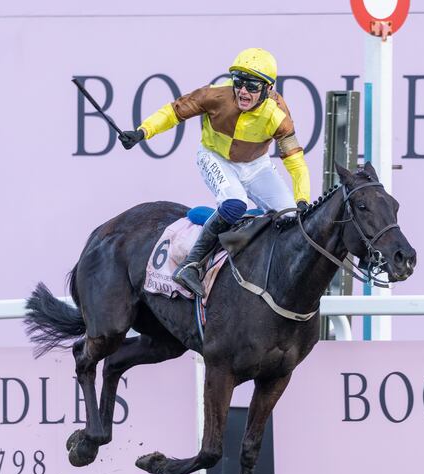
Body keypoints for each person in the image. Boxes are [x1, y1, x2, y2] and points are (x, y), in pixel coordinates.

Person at [117, 48, 311, 297]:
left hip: (257, 165)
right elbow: (173, 112)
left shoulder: (279, 114)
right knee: (234, 204)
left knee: (291, 217)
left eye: (252, 86)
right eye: (239, 82)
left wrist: (302, 198)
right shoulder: (216, 94)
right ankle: (191, 265)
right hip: (216, 158)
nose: (242, 91)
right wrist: (143, 132)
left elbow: (295, 162)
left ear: (267, 88)